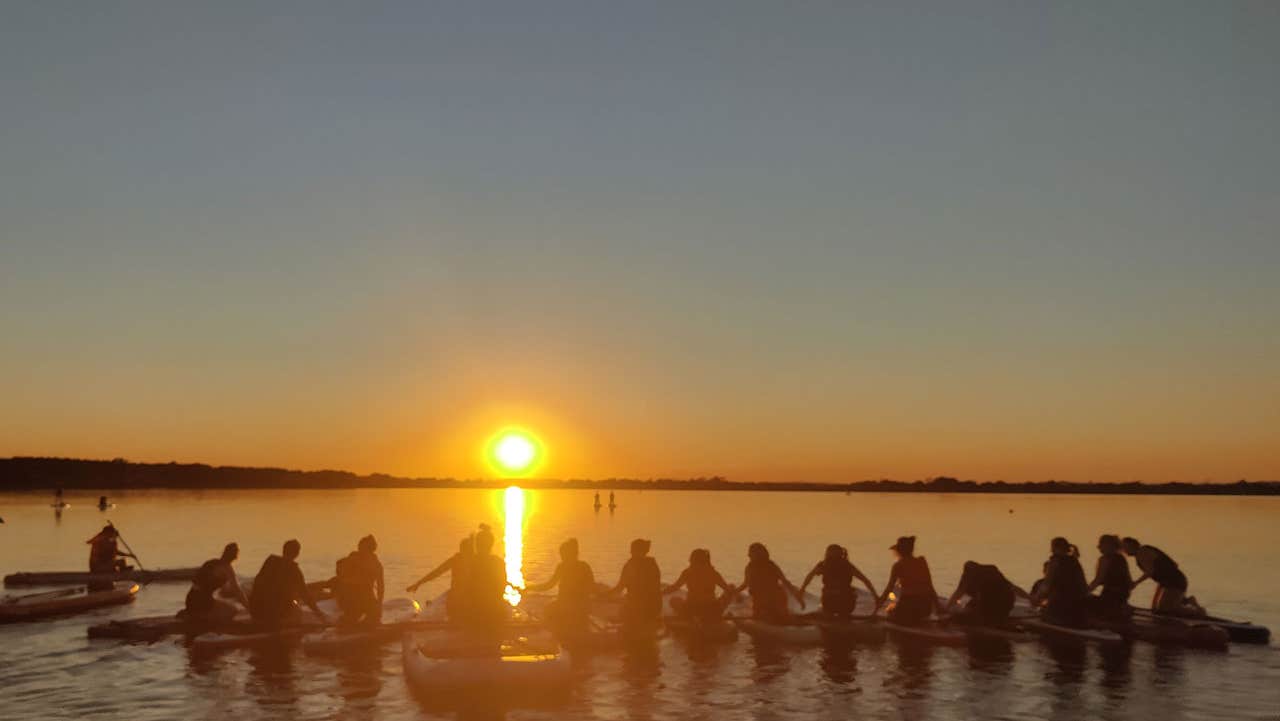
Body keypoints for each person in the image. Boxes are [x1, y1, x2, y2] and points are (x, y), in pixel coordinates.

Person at [249, 539, 328, 630]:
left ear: (283, 550)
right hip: (272, 613)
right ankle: (286, 632)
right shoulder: (294, 570)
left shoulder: (270, 561)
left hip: (255, 609)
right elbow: (305, 595)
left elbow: (258, 581)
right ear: (297, 553)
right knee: (298, 612)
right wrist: (320, 615)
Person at [1122, 537, 1206, 617]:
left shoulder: (1142, 552)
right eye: (1123, 548)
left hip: (1175, 582)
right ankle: (1187, 601)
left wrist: (1136, 583)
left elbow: (1150, 571)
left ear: (1132, 545)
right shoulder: (1144, 551)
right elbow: (1171, 566)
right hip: (1171, 581)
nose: (1124, 550)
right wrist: (1155, 600)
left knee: (1166, 609)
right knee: (1159, 609)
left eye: (1126, 547)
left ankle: (1197, 612)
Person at [526, 538, 596, 634]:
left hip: (566, 606)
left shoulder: (562, 567)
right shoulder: (584, 566)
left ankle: (556, 636)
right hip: (580, 606)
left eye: (563, 554)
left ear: (570, 554)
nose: (562, 557)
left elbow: (549, 585)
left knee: (547, 610)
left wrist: (530, 588)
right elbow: (592, 587)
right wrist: (531, 587)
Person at [877, 536, 944, 626]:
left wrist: (878, 606)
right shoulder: (922, 561)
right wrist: (937, 606)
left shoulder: (898, 566)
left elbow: (889, 588)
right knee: (897, 608)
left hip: (908, 607)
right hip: (925, 607)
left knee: (890, 611)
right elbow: (929, 585)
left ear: (899, 551)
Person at [799, 544, 878, 619]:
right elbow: (865, 580)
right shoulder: (847, 565)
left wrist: (801, 592)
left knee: (830, 600)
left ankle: (830, 616)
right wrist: (876, 597)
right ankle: (841, 617)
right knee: (843, 600)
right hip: (846, 603)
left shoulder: (824, 565)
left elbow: (809, 578)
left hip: (830, 603)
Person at [407, 535, 474, 622]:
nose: (468, 554)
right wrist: (418, 583)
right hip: (456, 598)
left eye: (469, 551)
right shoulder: (456, 560)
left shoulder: (475, 561)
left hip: (468, 598)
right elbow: (436, 572)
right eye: (465, 551)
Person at [732, 542, 804, 623]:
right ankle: (782, 617)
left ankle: (777, 617)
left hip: (769, 602)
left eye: (751, 554)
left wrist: (734, 593)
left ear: (757, 555)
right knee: (779, 616)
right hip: (775, 601)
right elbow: (786, 582)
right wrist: (798, 597)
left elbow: (745, 584)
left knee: (765, 615)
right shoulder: (771, 565)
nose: (749, 556)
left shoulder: (752, 567)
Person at [944, 561, 1029, 626]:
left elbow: (959, 592)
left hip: (991, 610)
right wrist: (1030, 598)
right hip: (1006, 606)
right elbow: (1014, 588)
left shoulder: (971, 576)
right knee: (968, 601)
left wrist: (948, 608)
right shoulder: (992, 570)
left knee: (961, 613)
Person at [182, 542, 249, 624]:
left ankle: (194, 613)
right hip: (202, 601)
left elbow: (199, 581)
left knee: (221, 605)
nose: (236, 556)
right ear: (234, 556)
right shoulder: (226, 568)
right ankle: (200, 619)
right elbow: (237, 591)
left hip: (190, 598)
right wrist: (249, 607)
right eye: (236, 553)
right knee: (233, 611)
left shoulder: (211, 562)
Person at [665, 548, 735, 623]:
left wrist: (661, 592)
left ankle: (688, 616)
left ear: (692, 560)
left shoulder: (687, 572)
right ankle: (713, 615)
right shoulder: (713, 573)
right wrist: (734, 592)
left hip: (691, 608)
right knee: (731, 587)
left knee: (674, 600)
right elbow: (727, 589)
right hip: (711, 608)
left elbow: (675, 587)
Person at [608, 538, 662, 628]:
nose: (630, 553)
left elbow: (619, 589)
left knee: (621, 611)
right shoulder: (652, 563)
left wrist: (601, 595)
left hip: (638, 610)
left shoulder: (630, 565)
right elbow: (655, 586)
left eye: (632, 550)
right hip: (655, 608)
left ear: (635, 551)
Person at [1038, 537, 1090, 627]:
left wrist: (1036, 597)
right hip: (1079, 603)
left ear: (1054, 547)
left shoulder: (1055, 561)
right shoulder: (1074, 561)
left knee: (1043, 615)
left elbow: (1046, 583)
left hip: (1061, 602)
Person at [335, 535, 384, 627]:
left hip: (366, 598)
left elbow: (381, 587)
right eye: (360, 548)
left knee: (374, 617)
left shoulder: (376, 564)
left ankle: (357, 620)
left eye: (363, 548)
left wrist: (379, 605)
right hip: (351, 598)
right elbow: (339, 567)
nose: (360, 550)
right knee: (351, 617)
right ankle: (348, 619)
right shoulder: (352, 558)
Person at [1087, 534, 1132, 622]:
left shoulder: (1104, 559)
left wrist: (1085, 591)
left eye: (1101, 544)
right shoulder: (1121, 558)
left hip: (1111, 595)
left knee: (1087, 601)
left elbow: (1098, 579)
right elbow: (1129, 581)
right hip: (1123, 595)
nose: (1098, 547)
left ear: (1108, 546)